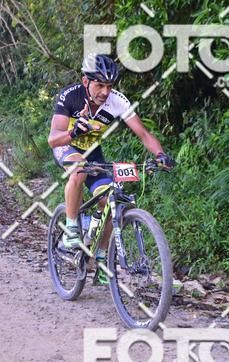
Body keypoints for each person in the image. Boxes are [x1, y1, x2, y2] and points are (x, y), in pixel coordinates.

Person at [48, 54, 174, 283]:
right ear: (86, 81)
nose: (105, 92)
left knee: (108, 200)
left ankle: (101, 256)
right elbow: (53, 139)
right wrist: (73, 132)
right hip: (66, 147)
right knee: (79, 169)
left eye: (109, 86)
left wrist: (160, 155)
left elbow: (144, 134)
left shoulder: (118, 101)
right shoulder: (71, 96)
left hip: (93, 153)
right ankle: (71, 229)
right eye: (99, 85)